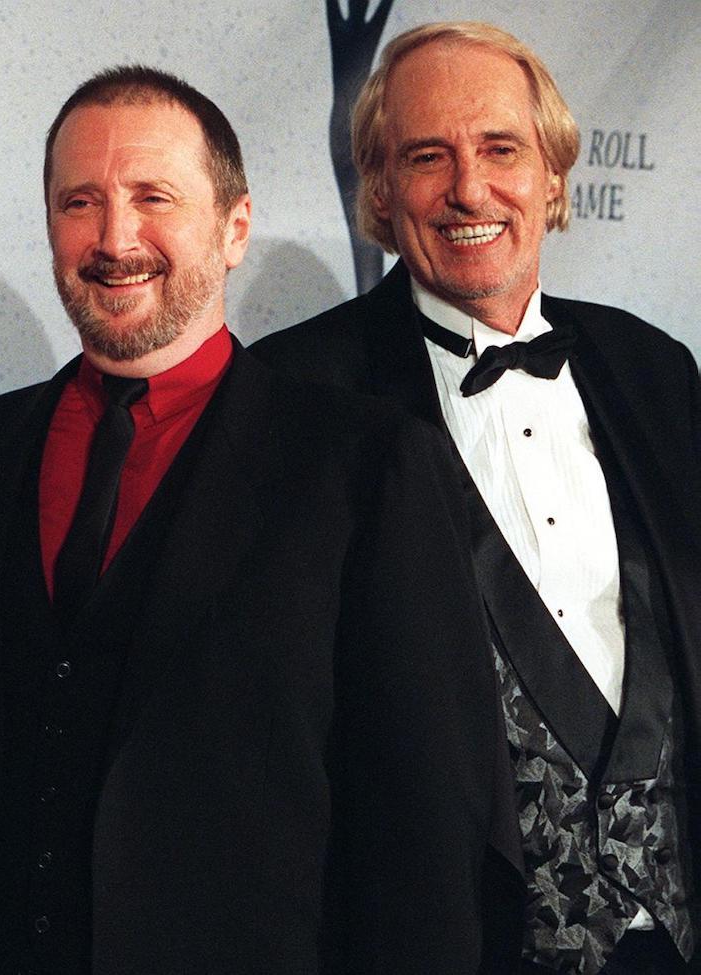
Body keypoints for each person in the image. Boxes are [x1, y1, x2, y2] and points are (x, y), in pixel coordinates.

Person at [0, 65, 498, 974]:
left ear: (234, 228)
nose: (114, 239)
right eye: (80, 203)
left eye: (154, 198)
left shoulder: (367, 465)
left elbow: (426, 825)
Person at [252, 21, 701, 975]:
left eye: (501, 149)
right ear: (380, 189)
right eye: (428, 157)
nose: (469, 189)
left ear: (553, 174)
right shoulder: (297, 397)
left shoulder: (656, 370)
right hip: (446, 944)